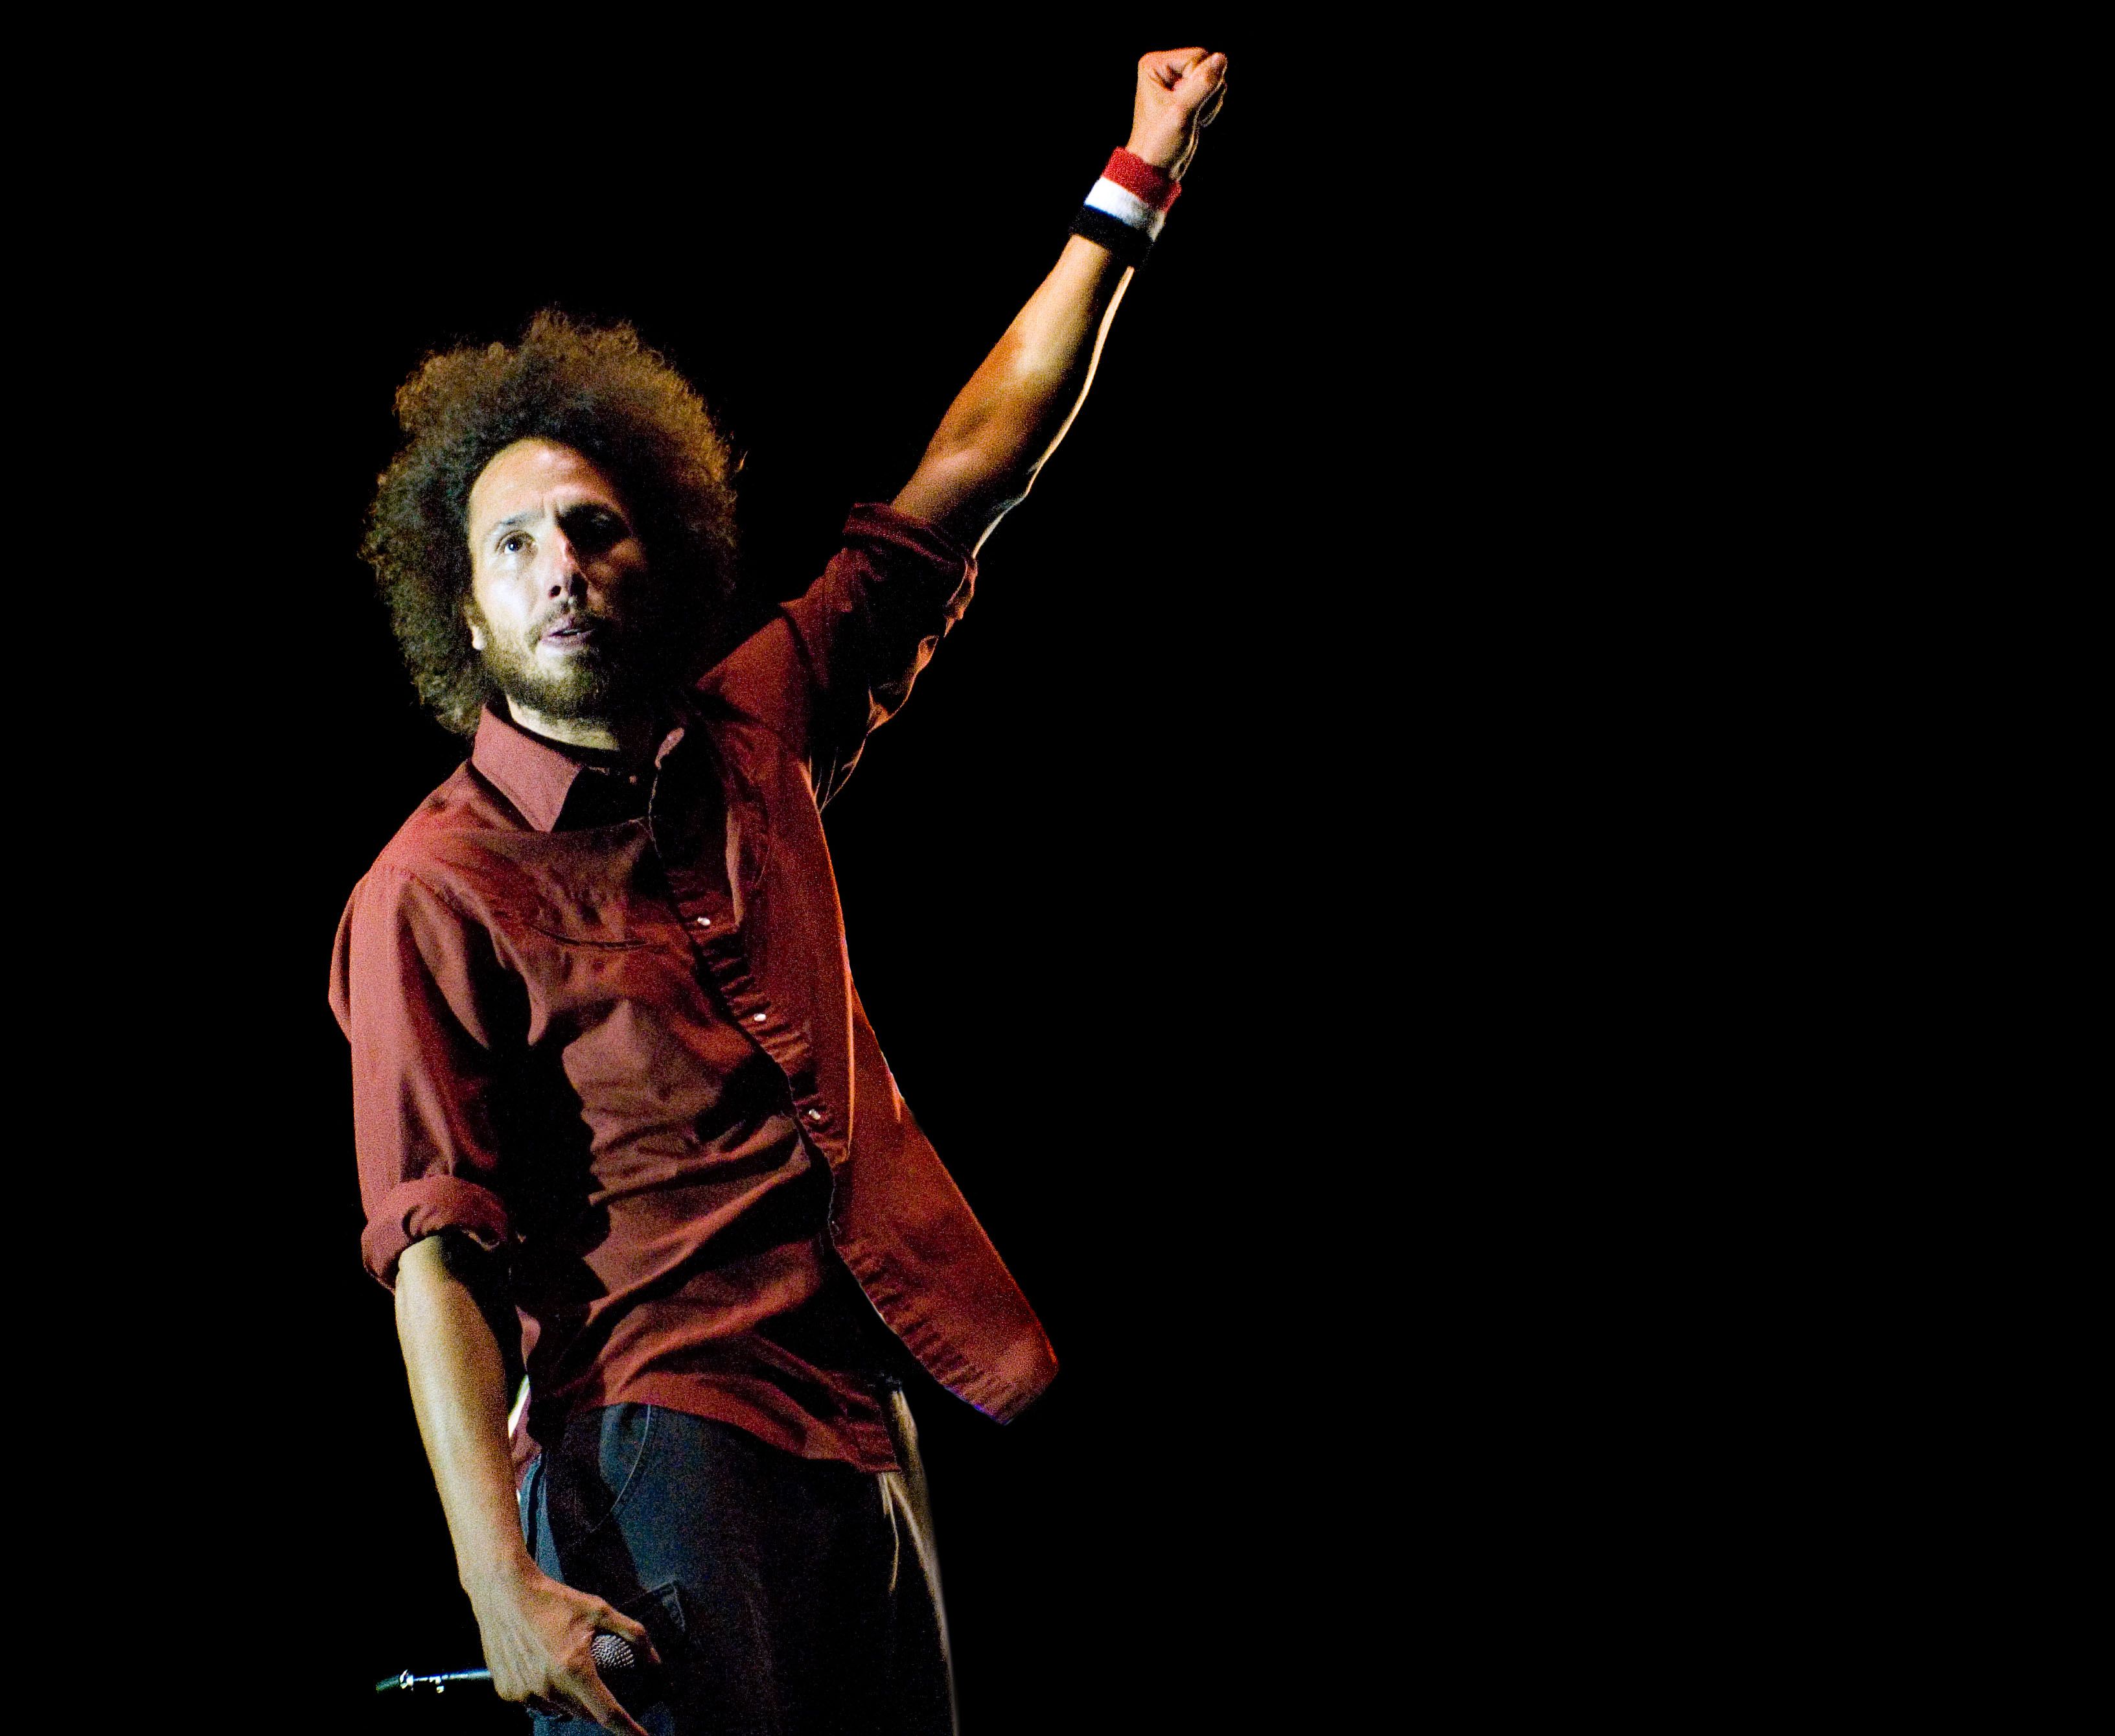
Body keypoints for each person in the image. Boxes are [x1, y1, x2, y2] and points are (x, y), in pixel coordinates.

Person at [332, 47, 1229, 1736]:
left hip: (862, 1423)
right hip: (658, 1446)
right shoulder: (431, 889)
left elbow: (972, 474)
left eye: (590, 530)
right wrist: (496, 1587)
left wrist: (1137, 186)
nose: (560, 570)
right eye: (512, 548)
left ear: (651, 552)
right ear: (460, 615)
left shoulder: (752, 723)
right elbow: (431, 1259)